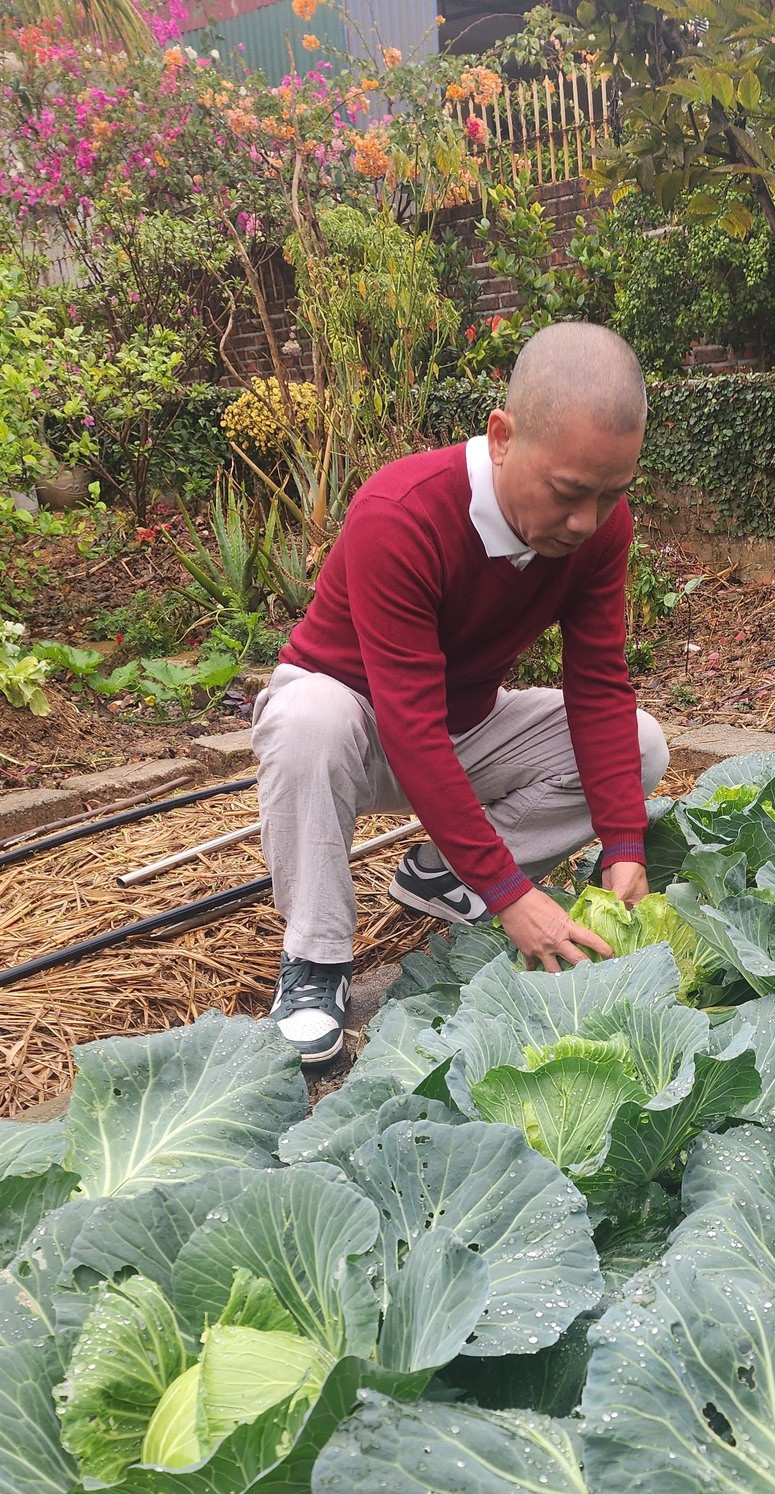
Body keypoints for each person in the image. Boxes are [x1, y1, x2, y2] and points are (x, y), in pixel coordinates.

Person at [253, 320, 669, 1063]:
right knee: (306, 718)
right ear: (502, 435)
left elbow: (598, 684)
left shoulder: (599, 531)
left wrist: (624, 844)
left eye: (611, 495)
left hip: (463, 726)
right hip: (359, 726)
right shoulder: (402, 513)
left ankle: (444, 876)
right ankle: (316, 962)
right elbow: (407, 725)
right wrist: (512, 897)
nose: (587, 522)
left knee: (641, 743)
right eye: (570, 492)